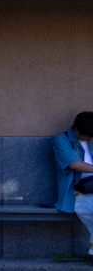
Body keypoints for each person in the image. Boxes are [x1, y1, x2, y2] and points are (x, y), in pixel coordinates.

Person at [53, 111, 93, 259]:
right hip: (77, 192)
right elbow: (73, 164)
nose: (89, 139)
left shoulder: (91, 137)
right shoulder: (61, 140)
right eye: (87, 136)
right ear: (76, 129)